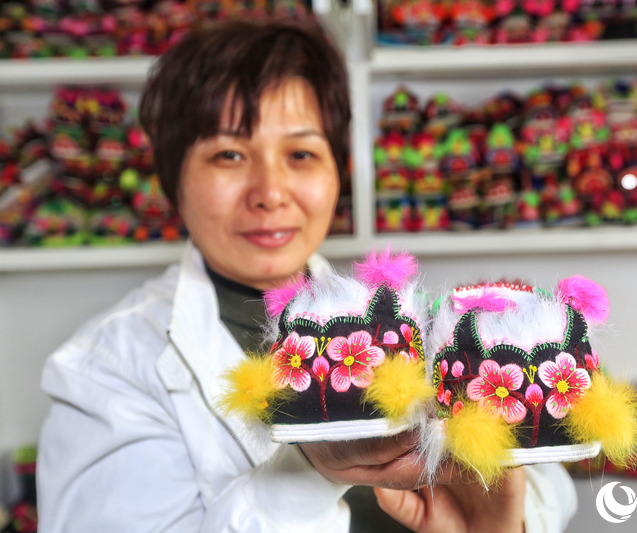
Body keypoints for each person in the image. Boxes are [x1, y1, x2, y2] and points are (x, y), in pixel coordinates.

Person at [36, 18, 577, 532]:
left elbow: (551, 482)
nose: (270, 192)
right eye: (228, 154)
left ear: (337, 172)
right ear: (172, 178)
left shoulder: (410, 321)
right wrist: (313, 468)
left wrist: (506, 518)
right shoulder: (106, 368)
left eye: (301, 153)